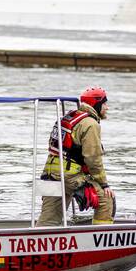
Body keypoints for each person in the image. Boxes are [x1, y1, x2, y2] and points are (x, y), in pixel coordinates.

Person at [37, 87, 114, 226]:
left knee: (49, 218)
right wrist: (104, 184)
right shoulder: (90, 124)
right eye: (105, 104)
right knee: (106, 199)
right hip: (69, 176)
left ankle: (37, 242)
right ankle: (99, 239)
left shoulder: (70, 117)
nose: (107, 108)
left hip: (49, 173)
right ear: (96, 104)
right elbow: (93, 159)